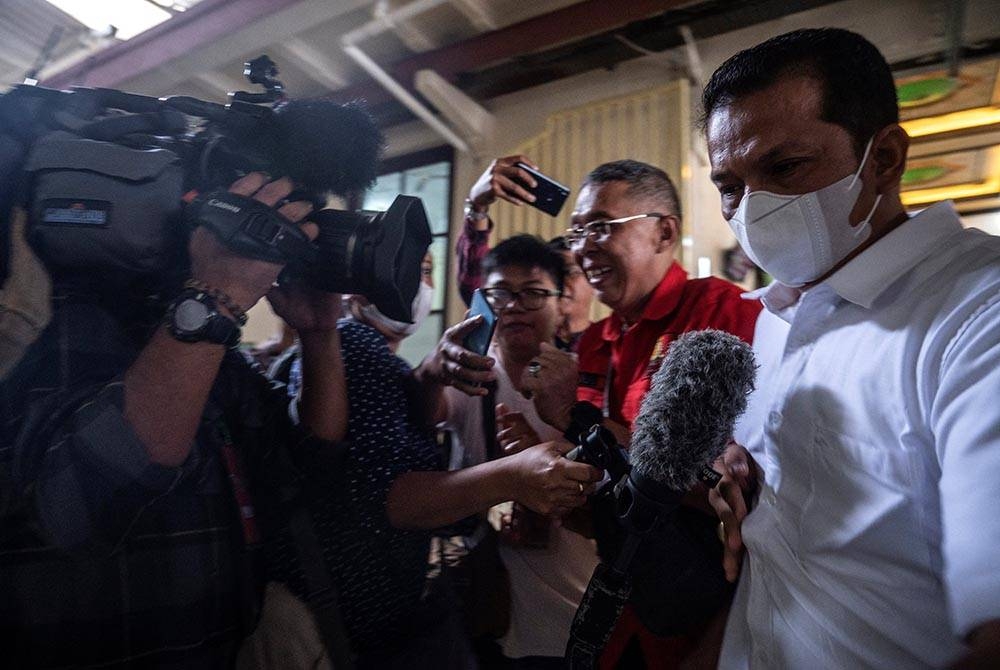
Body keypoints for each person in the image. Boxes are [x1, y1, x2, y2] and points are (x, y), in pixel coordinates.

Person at [701, 28, 1000, 669]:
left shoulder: (977, 316)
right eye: (729, 185)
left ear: (885, 158)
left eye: (784, 168)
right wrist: (743, 474)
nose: (752, 209)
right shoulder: (775, 315)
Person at [0, 171, 353, 668]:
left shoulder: (217, 352)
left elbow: (307, 469)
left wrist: (320, 336)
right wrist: (216, 294)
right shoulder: (66, 316)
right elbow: (78, 508)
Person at [520, 159, 762, 668]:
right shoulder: (592, 344)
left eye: (601, 227)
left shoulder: (724, 314)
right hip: (625, 591)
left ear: (664, 232)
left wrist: (580, 420)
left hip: (718, 603)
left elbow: (739, 482)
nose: (583, 246)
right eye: (577, 231)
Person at [399, 234, 603, 667]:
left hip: (580, 609)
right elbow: (419, 418)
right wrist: (432, 371)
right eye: (499, 294)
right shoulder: (470, 374)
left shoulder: (588, 375)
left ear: (560, 301)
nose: (513, 306)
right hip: (494, 610)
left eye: (532, 293)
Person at [274, 251, 472, 669]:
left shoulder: (379, 359)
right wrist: (514, 478)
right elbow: (388, 493)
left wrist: (428, 377)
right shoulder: (356, 343)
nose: (416, 284)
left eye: (424, 271)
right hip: (347, 625)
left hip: (342, 615)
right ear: (352, 287)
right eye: (400, 267)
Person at [455, 156, 595, 351]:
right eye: (554, 278)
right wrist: (477, 207)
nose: (562, 285)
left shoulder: (608, 349)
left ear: (593, 280)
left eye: (570, 272)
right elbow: (476, 281)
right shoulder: (520, 342)